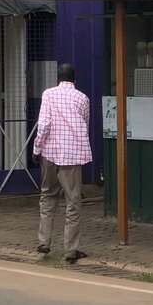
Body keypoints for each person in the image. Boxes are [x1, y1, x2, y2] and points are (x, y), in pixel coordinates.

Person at [33, 62, 92, 264]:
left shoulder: (48, 94)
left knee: (48, 195)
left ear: (58, 78)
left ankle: (44, 241)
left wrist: (37, 148)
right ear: (74, 80)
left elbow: (44, 124)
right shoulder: (83, 98)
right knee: (73, 202)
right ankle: (70, 250)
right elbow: (85, 123)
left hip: (49, 154)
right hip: (71, 156)